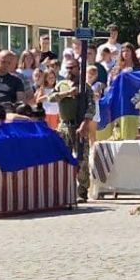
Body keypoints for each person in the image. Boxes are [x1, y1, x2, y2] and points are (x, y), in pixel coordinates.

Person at [49, 59, 96, 200]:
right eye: (67, 68)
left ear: (78, 68)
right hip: (64, 126)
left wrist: (85, 124)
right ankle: (64, 190)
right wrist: (68, 93)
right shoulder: (61, 84)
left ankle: (82, 190)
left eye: (72, 68)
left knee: (82, 158)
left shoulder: (85, 87)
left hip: (79, 125)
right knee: (63, 157)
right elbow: (51, 98)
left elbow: (91, 107)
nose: (70, 71)